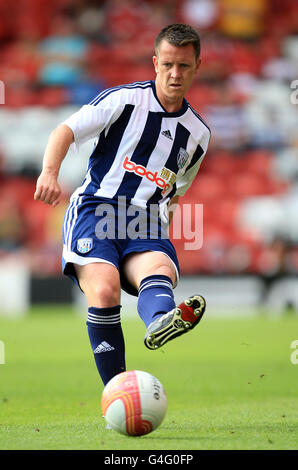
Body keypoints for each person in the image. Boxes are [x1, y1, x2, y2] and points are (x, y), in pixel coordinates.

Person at [34, 24, 211, 387]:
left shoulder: (197, 134)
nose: (175, 74)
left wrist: (165, 226)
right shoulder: (123, 101)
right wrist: (49, 173)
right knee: (103, 288)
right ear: (155, 63)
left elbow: (177, 189)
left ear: (197, 67)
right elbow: (64, 130)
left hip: (144, 219)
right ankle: (117, 390)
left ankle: (161, 320)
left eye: (184, 66)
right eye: (167, 64)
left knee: (160, 267)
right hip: (96, 210)